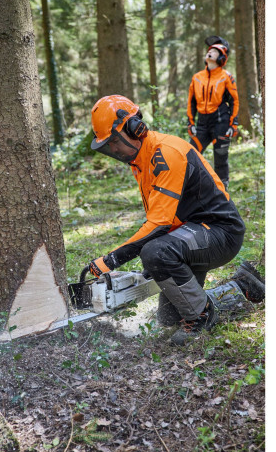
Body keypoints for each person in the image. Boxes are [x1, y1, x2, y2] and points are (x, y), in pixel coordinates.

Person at [86, 95, 261, 346]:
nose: (113, 149)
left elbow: (160, 224)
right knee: (169, 318)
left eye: (114, 140)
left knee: (156, 252)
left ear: (135, 128)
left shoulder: (165, 154)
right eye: (108, 144)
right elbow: (168, 216)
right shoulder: (141, 159)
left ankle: (202, 317)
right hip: (193, 233)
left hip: (220, 232)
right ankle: (241, 285)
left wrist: (111, 259)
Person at [187, 36, 239, 189]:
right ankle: (192, 188)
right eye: (210, 50)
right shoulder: (197, 78)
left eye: (215, 51)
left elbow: (234, 101)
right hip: (202, 124)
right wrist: (190, 123)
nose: (210, 53)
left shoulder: (226, 77)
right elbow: (191, 102)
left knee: (221, 158)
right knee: (191, 154)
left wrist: (233, 124)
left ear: (222, 57)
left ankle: (223, 191)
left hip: (221, 122)